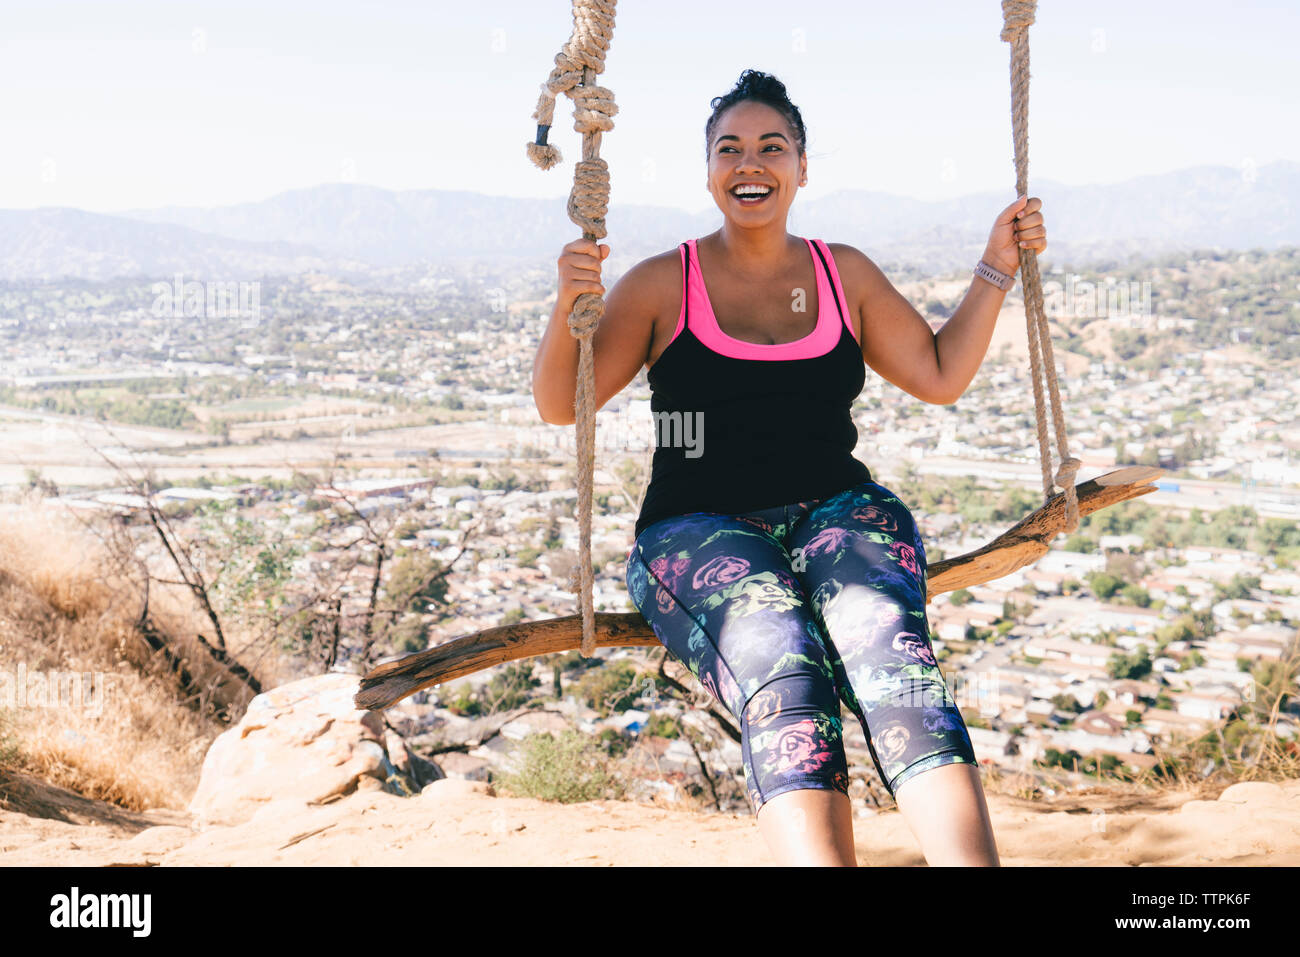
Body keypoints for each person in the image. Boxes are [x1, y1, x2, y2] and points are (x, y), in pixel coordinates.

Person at [532, 69, 1047, 866]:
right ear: (707, 172)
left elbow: (941, 373)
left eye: (772, 147)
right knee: (780, 665)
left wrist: (995, 268)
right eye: (729, 149)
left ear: (802, 167)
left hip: (839, 510)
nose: (751, 164)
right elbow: (564, 404)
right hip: (697, 526)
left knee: (893, 662)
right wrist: (568, 308)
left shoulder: (844, 273)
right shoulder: (665, 283)